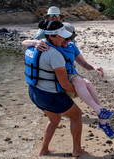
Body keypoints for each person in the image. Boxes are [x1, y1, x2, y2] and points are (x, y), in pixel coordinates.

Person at [22, 22, 114, 139]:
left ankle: (102, 120)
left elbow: (84, 64)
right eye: (65, 38)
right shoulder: (53, 47)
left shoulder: (72, 46)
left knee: (88, 84)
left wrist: (94, 67)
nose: (67, 41)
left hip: (70, 76)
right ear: (57, 37)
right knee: (79, 83)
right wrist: (35, 42)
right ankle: (99, 112)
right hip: (62, 80)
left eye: (71, 38)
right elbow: (25, 42)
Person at [24, 21, 89, 157]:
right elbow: (65, 85)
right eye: (61, 36)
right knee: (76, 115)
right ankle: (77, 150)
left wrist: (33, 42)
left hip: (34, 93)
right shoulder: (55, 55)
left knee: (54, 120)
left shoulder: (34, 45)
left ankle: (43, 150)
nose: (64, 39)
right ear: (51, 37)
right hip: (50, 96)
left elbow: (23, 42)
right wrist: (80, 92)